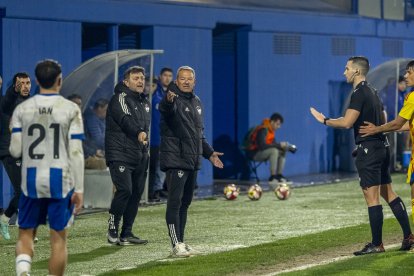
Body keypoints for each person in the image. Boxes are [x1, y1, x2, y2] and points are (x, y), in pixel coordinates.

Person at [310, 56, 414, 255]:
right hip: (382, 146)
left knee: (371, 197)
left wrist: (325, 120)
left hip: (370, 149)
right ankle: (408, 235)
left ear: (357, 71)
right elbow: (381, 119)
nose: (344, 72)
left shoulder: (358, 93)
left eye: (347, 68)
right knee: (388, 193)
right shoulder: (373, 91)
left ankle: (377, 244)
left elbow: (347, 122)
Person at [9, 59, 84, 276]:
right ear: (59, 81)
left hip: (31, 180)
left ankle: (23, 271)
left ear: (35, 80)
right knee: (58, 240)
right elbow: (77, 152)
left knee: (26, 233)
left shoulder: (22, 108)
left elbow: (15, 150)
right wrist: (79, 189)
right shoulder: (70, 109)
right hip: (60, 181)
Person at [159, 66, 223, 257]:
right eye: (182, 79)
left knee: (185, 203)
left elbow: (198, 135)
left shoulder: (197, 102)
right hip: (176, 158)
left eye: (189, 79)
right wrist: (168, 101)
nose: (186, 81)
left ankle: (181, 243)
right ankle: (174, 244)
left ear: (194, 82)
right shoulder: (172, 99)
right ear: (176, 81)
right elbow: (165, 108)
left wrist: (209, 153)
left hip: (192, 160)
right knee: (174, 202)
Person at [360, 59, 414, 229]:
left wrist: (376, 129)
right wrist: (386, 130)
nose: (405, 76)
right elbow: (406, 125)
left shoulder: (412, 97)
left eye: (409, 72)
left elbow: (398, 123)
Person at [105, 66, 150, 246]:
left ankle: (127, 233)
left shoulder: (144, 102)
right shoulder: (120, 98)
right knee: (125, 190)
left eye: (142, 78)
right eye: (136, 78)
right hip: (120, 153)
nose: (140, 81)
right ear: (126, 81)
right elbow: (125, 119)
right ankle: (112, 228)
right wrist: (138, 132)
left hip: (139, 154)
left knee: (136, 194)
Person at [0, 72, 31, 240]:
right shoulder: (8, 100)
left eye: (27, 83)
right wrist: (14, 90)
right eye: (21, 83)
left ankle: (12, 219)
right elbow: (6, 103)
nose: (25, 86)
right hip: (10, 151)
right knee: (22, 190)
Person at [245, 113, 293, 183]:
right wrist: (279, 145)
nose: (279, 127)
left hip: (262, 152)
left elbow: (273, 144)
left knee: (282, 150)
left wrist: (285, 147)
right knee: (274, 151)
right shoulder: (263, 130)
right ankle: (272, 177)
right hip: (254, 153)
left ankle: (279, 175)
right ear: (272, 122)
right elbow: (262, 146)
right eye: (277, 124)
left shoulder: (271, 131)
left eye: (280, 125)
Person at [149, 68, 173, 201]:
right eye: (165, 75)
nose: (167, 78)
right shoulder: (153, 93)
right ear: (160, 77)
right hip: (153, 137)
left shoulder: (171, 93)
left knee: (162, 166)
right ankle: (152, 191)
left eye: (170, 75)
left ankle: (158, 189)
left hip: (165, 137)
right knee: (153, 166)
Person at [67, 94, 106, 170]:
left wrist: (94, 151)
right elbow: (78, 142)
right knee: (101, 164)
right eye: (74, 104)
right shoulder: (67, 122)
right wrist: (93, 152)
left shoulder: (81, 119)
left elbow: (85, 140)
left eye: (79, 104)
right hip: (73, 157)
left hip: (83, 154)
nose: (77, 107)